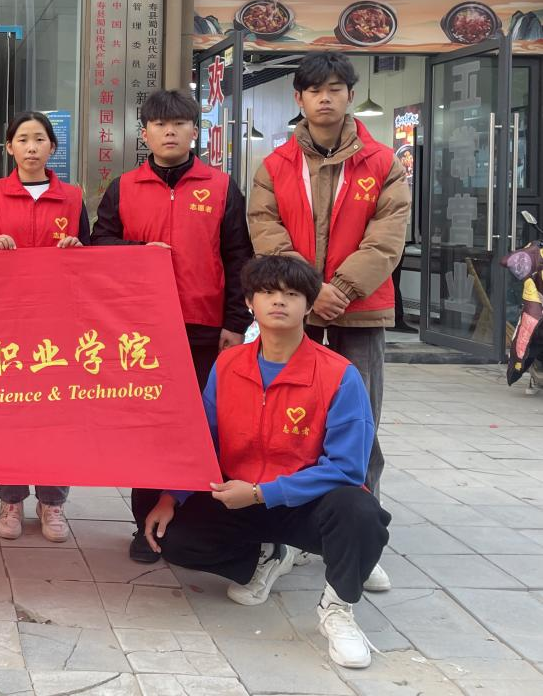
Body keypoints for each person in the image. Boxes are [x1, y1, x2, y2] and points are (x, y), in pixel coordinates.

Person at [140, 255, 391, 670]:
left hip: (304, 505)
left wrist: (262, 493)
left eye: (291, 294)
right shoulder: (228, 364)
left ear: (308, 306)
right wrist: (172, 497)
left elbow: (347, 467)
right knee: (168, 532)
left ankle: (338, 607)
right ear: (250, 302)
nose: (279, 301)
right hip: (241, 498)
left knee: (361, 514)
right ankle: (265, 557)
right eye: (268, 292)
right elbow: (205, 439)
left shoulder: (338, 374)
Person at [91, 89, 253, 564]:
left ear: (194, 132)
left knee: (201, 429)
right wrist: (138, 252)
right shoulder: (124, 187)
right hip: (141, 331)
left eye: (179, 123)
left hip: (204, 327)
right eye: (159, 124)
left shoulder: (221, 187)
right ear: (144, 134)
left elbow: (239, 257)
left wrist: (235, 321)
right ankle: (145, 527)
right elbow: (99, 243)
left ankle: (193, 523)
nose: (169, 132)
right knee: (147, 430)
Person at [248, 53, 408, 514]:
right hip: (294, 312)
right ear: (298, 98)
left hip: (360, 312)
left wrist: (341, 289)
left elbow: (386, 239)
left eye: (335, 89)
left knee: (359, 420)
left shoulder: (383, 163)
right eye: (315, 90)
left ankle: (361, 521)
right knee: (288, 415)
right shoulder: (274, 165)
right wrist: (310, 289)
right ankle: (286, 521)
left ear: (350, 95)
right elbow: (265, 229)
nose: (325, 98)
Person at [0, 111, 88, 543]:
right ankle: (11, 499)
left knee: (57, 414)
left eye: (40, 139)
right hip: (4, 323)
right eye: (23, 139)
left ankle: (53, 502)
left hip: (57, 325)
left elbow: (92, 257)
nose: (32, 147)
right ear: (9, 147)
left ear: (52, 147)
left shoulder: (72, 197)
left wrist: (77, 248)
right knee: (9, 414)